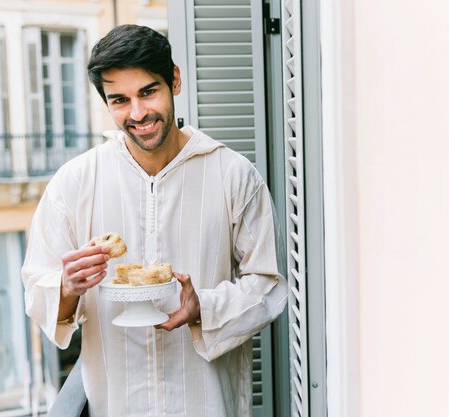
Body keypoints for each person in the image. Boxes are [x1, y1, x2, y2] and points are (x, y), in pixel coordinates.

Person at [22, 24, 287, 417]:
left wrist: (204, 308)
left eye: (148, 91)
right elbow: (37, 284)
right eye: (120, 100)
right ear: (106, 103)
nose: (138, 113)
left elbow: (267, 285)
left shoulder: (234, 175)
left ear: (175, 80)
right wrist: (67, 287)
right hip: (116, 405)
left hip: (207, 404)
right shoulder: (75, 181)